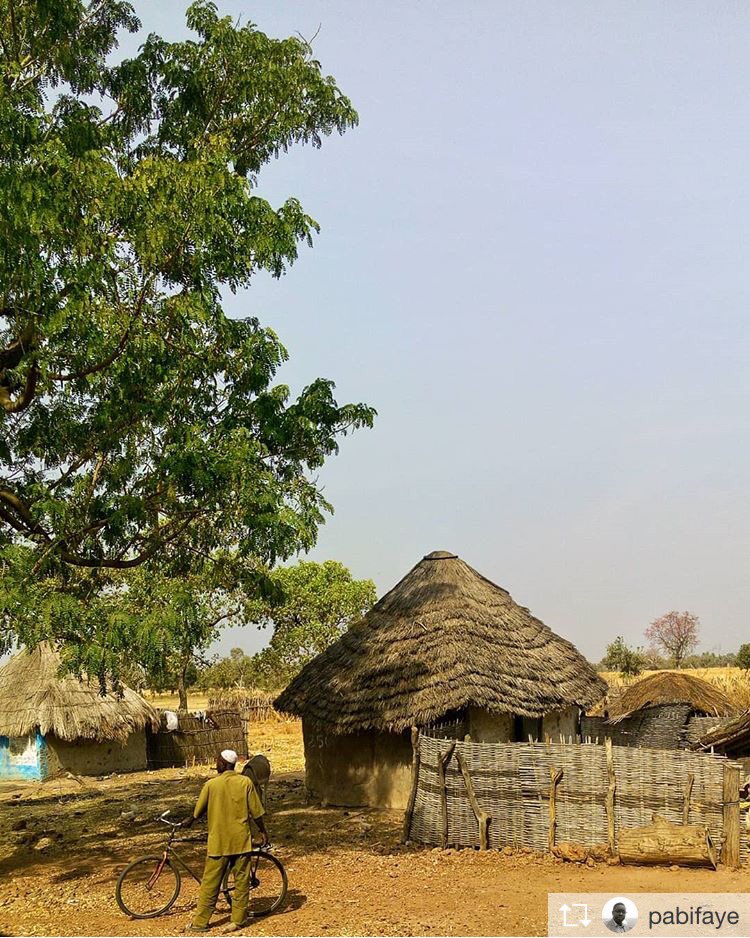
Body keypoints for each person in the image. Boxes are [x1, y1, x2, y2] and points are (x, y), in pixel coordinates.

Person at [182, 749, 269, 933]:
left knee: (209, 884)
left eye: (217, 761)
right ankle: (237, 920)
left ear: (222, 764)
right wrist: (263, 831)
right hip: (240, 842)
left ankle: (200, 923)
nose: (216, 764)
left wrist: (187, 821)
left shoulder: (211, 785)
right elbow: (257, 812)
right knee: (241, 881)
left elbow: (197, 813)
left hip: (218, 843)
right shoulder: (245, 782)